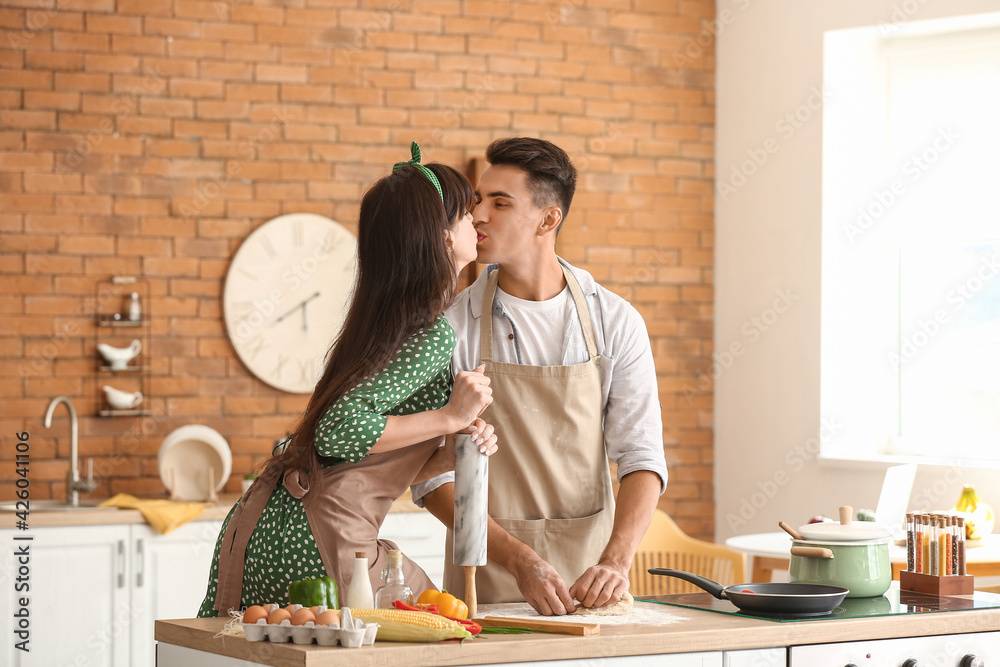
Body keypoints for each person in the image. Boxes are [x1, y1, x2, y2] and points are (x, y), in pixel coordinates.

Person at [197, 143, 498, 617]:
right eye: (465, 214)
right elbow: (339, 430)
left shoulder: (378, 324)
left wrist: (448, 443)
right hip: (321, 533)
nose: (476, 222)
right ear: (441, 238)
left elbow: (355, 460)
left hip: (269, 527)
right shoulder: (431, 333)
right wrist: (449, 415)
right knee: (443, 624)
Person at [412, 137, 668, 616]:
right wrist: (520, 559)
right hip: (482, 577)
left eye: (500, 203)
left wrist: (615, 562)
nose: (479, 216)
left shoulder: (615, 321)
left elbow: (641, 456)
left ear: (549, 219)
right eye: (477, 202)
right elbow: (431, 476)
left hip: (591, 584)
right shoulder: (450, 326)